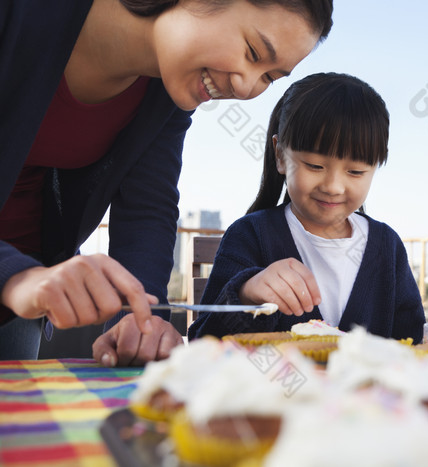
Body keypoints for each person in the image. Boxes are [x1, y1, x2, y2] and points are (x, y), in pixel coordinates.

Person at [0, 0, 333, 364]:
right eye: (253, 52)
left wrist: (141, 321)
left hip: (22, 294)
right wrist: (17, 277)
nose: (245, 87)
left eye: (269, 77)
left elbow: (147, 209)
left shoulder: (165, 95)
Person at [188, 72, 425, 342]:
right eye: (315, 166)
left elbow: (413, 343)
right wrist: (246, 295)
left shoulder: (387, 247)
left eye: (356, 171)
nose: (334, 186)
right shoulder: (251, 235)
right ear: (280, 155)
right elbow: (202, 342)